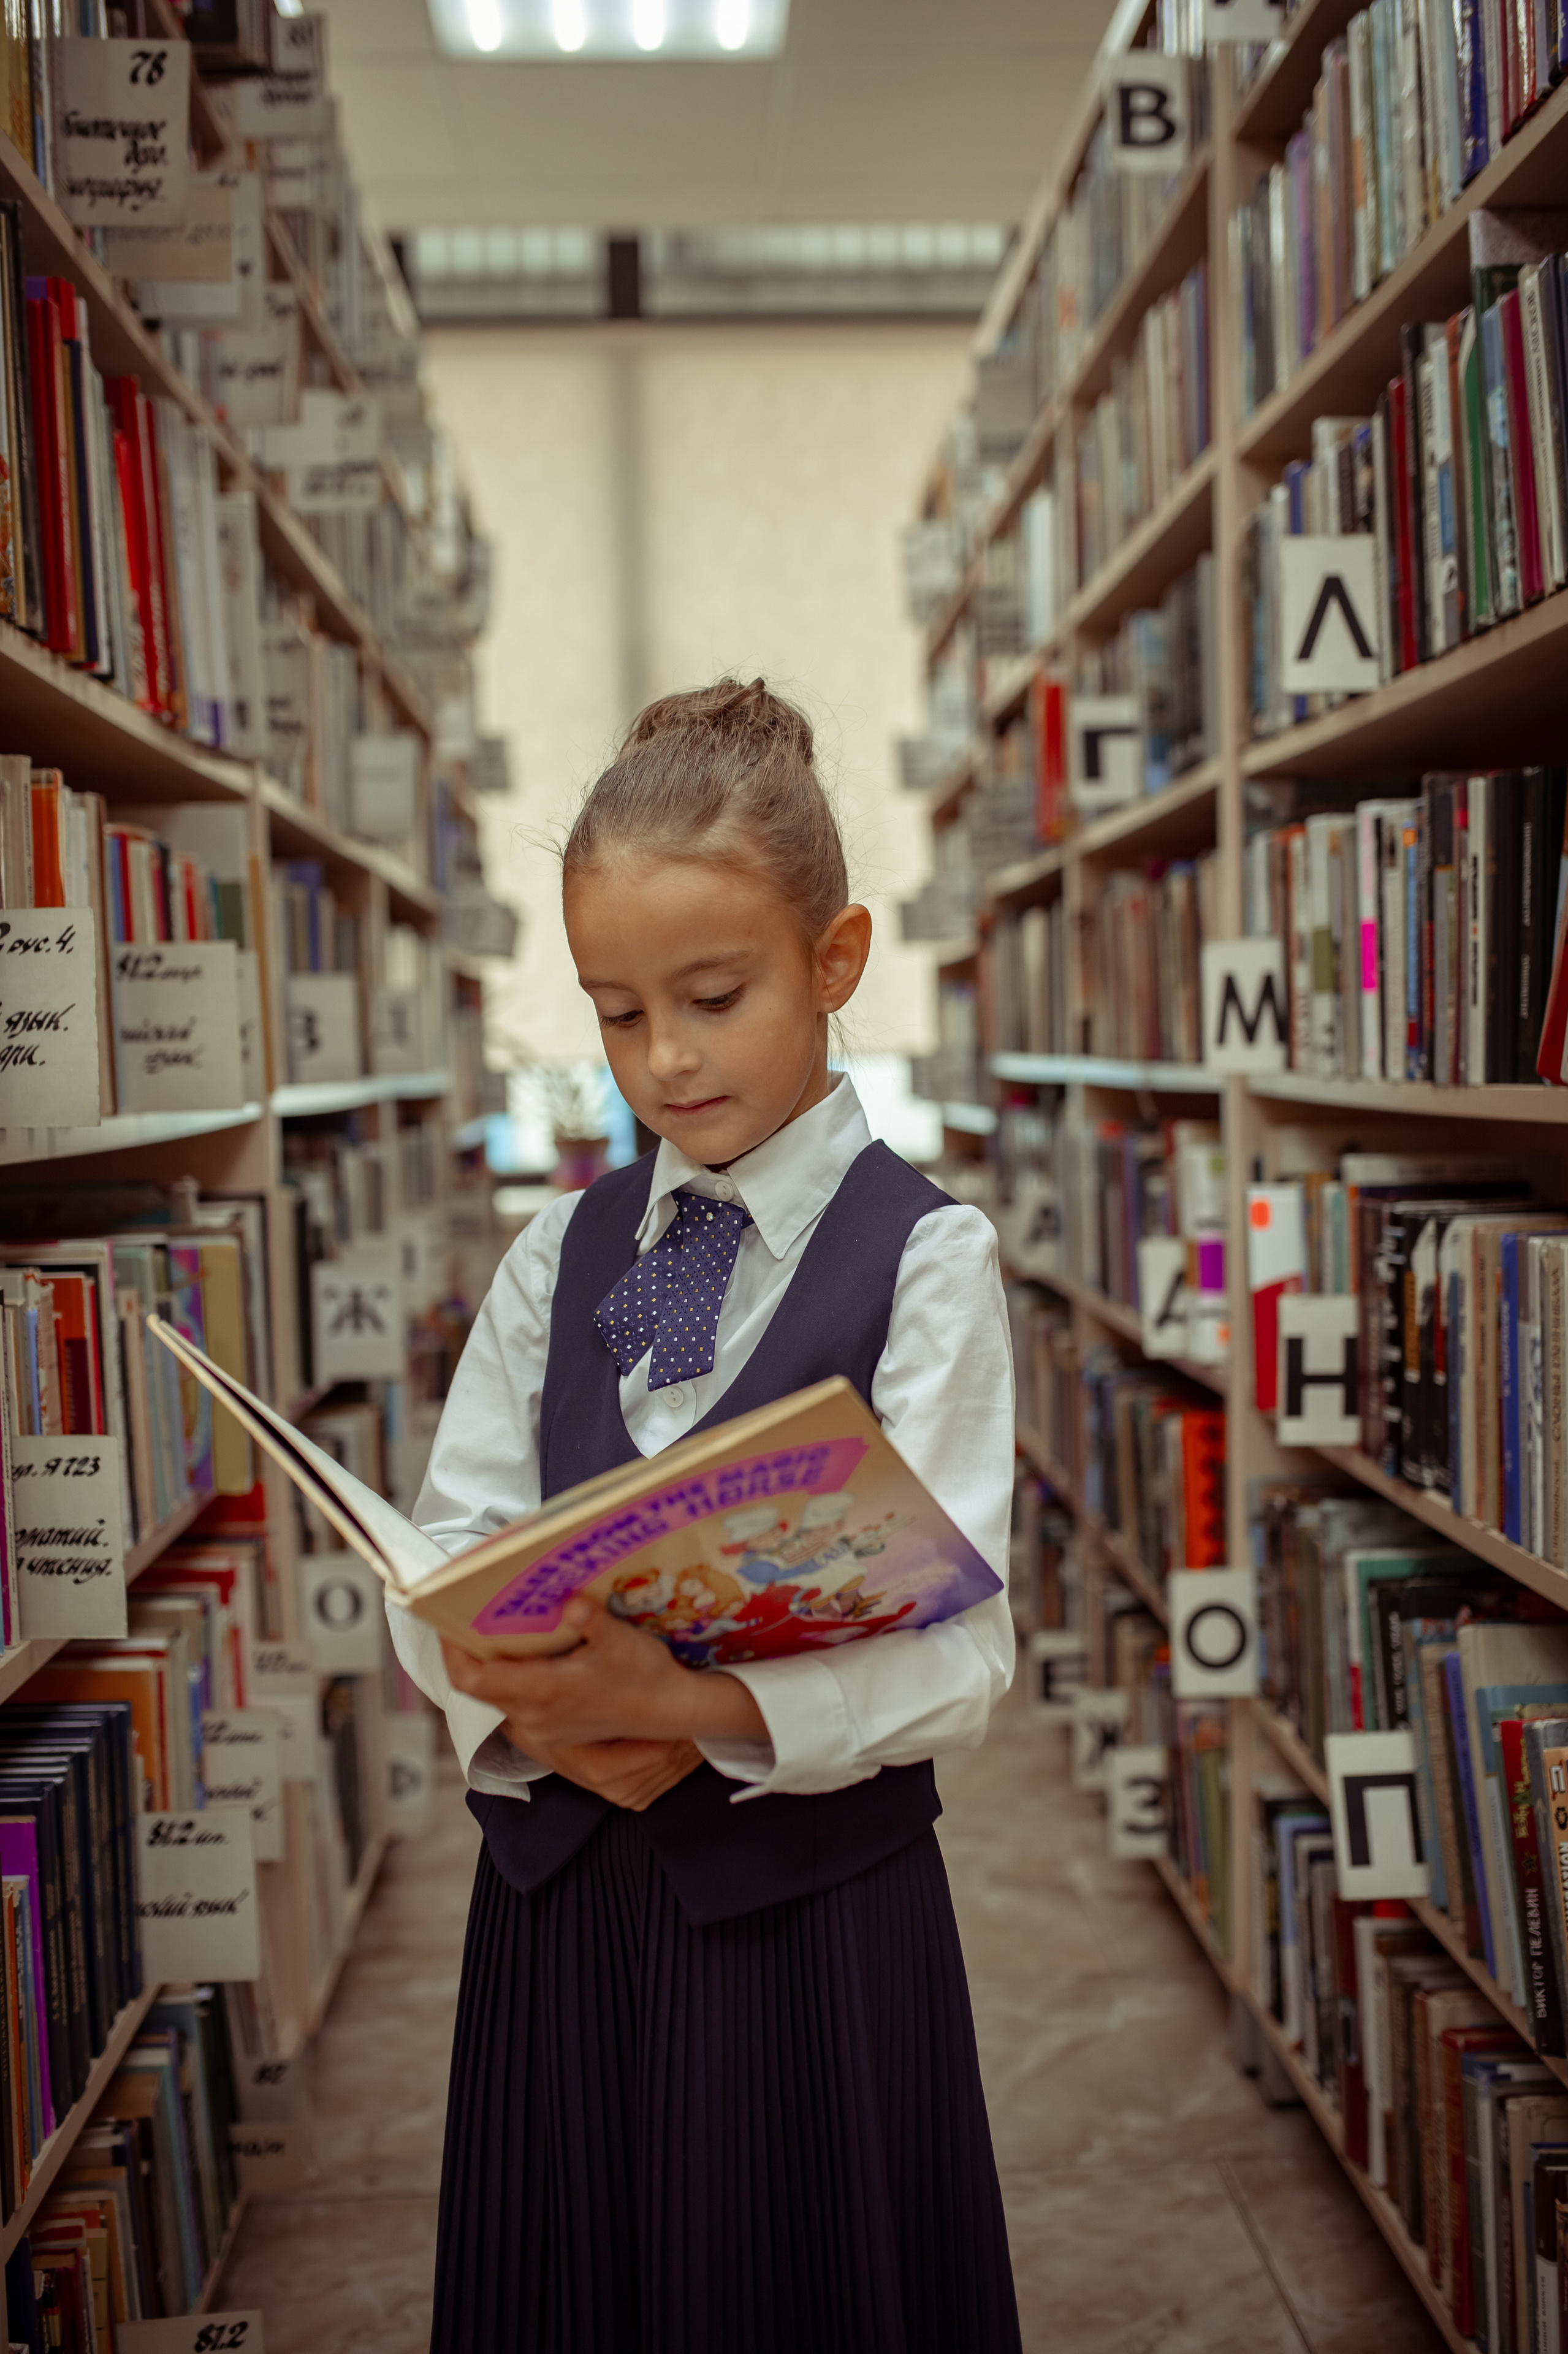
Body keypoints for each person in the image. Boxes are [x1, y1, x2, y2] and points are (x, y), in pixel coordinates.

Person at [391, 677, 1022, 2354]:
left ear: (835, 962)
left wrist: (701, 1709)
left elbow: (964, 1656)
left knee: (797, 2279)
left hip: (809, 1919)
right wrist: (507, 1675)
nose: (662, 1058)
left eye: (715, 997)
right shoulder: (562, 1252)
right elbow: (453, 1542)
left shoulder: (927, 1261)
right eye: (614, 1014)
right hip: (567, 1909)